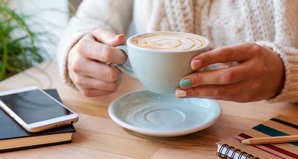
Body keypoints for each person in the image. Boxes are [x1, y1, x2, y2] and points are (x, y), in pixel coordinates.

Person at [58, 0, 298, 103]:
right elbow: (91, 16)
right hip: (151, 131)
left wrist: (286, 75)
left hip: (265, 138)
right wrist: (77, 48)